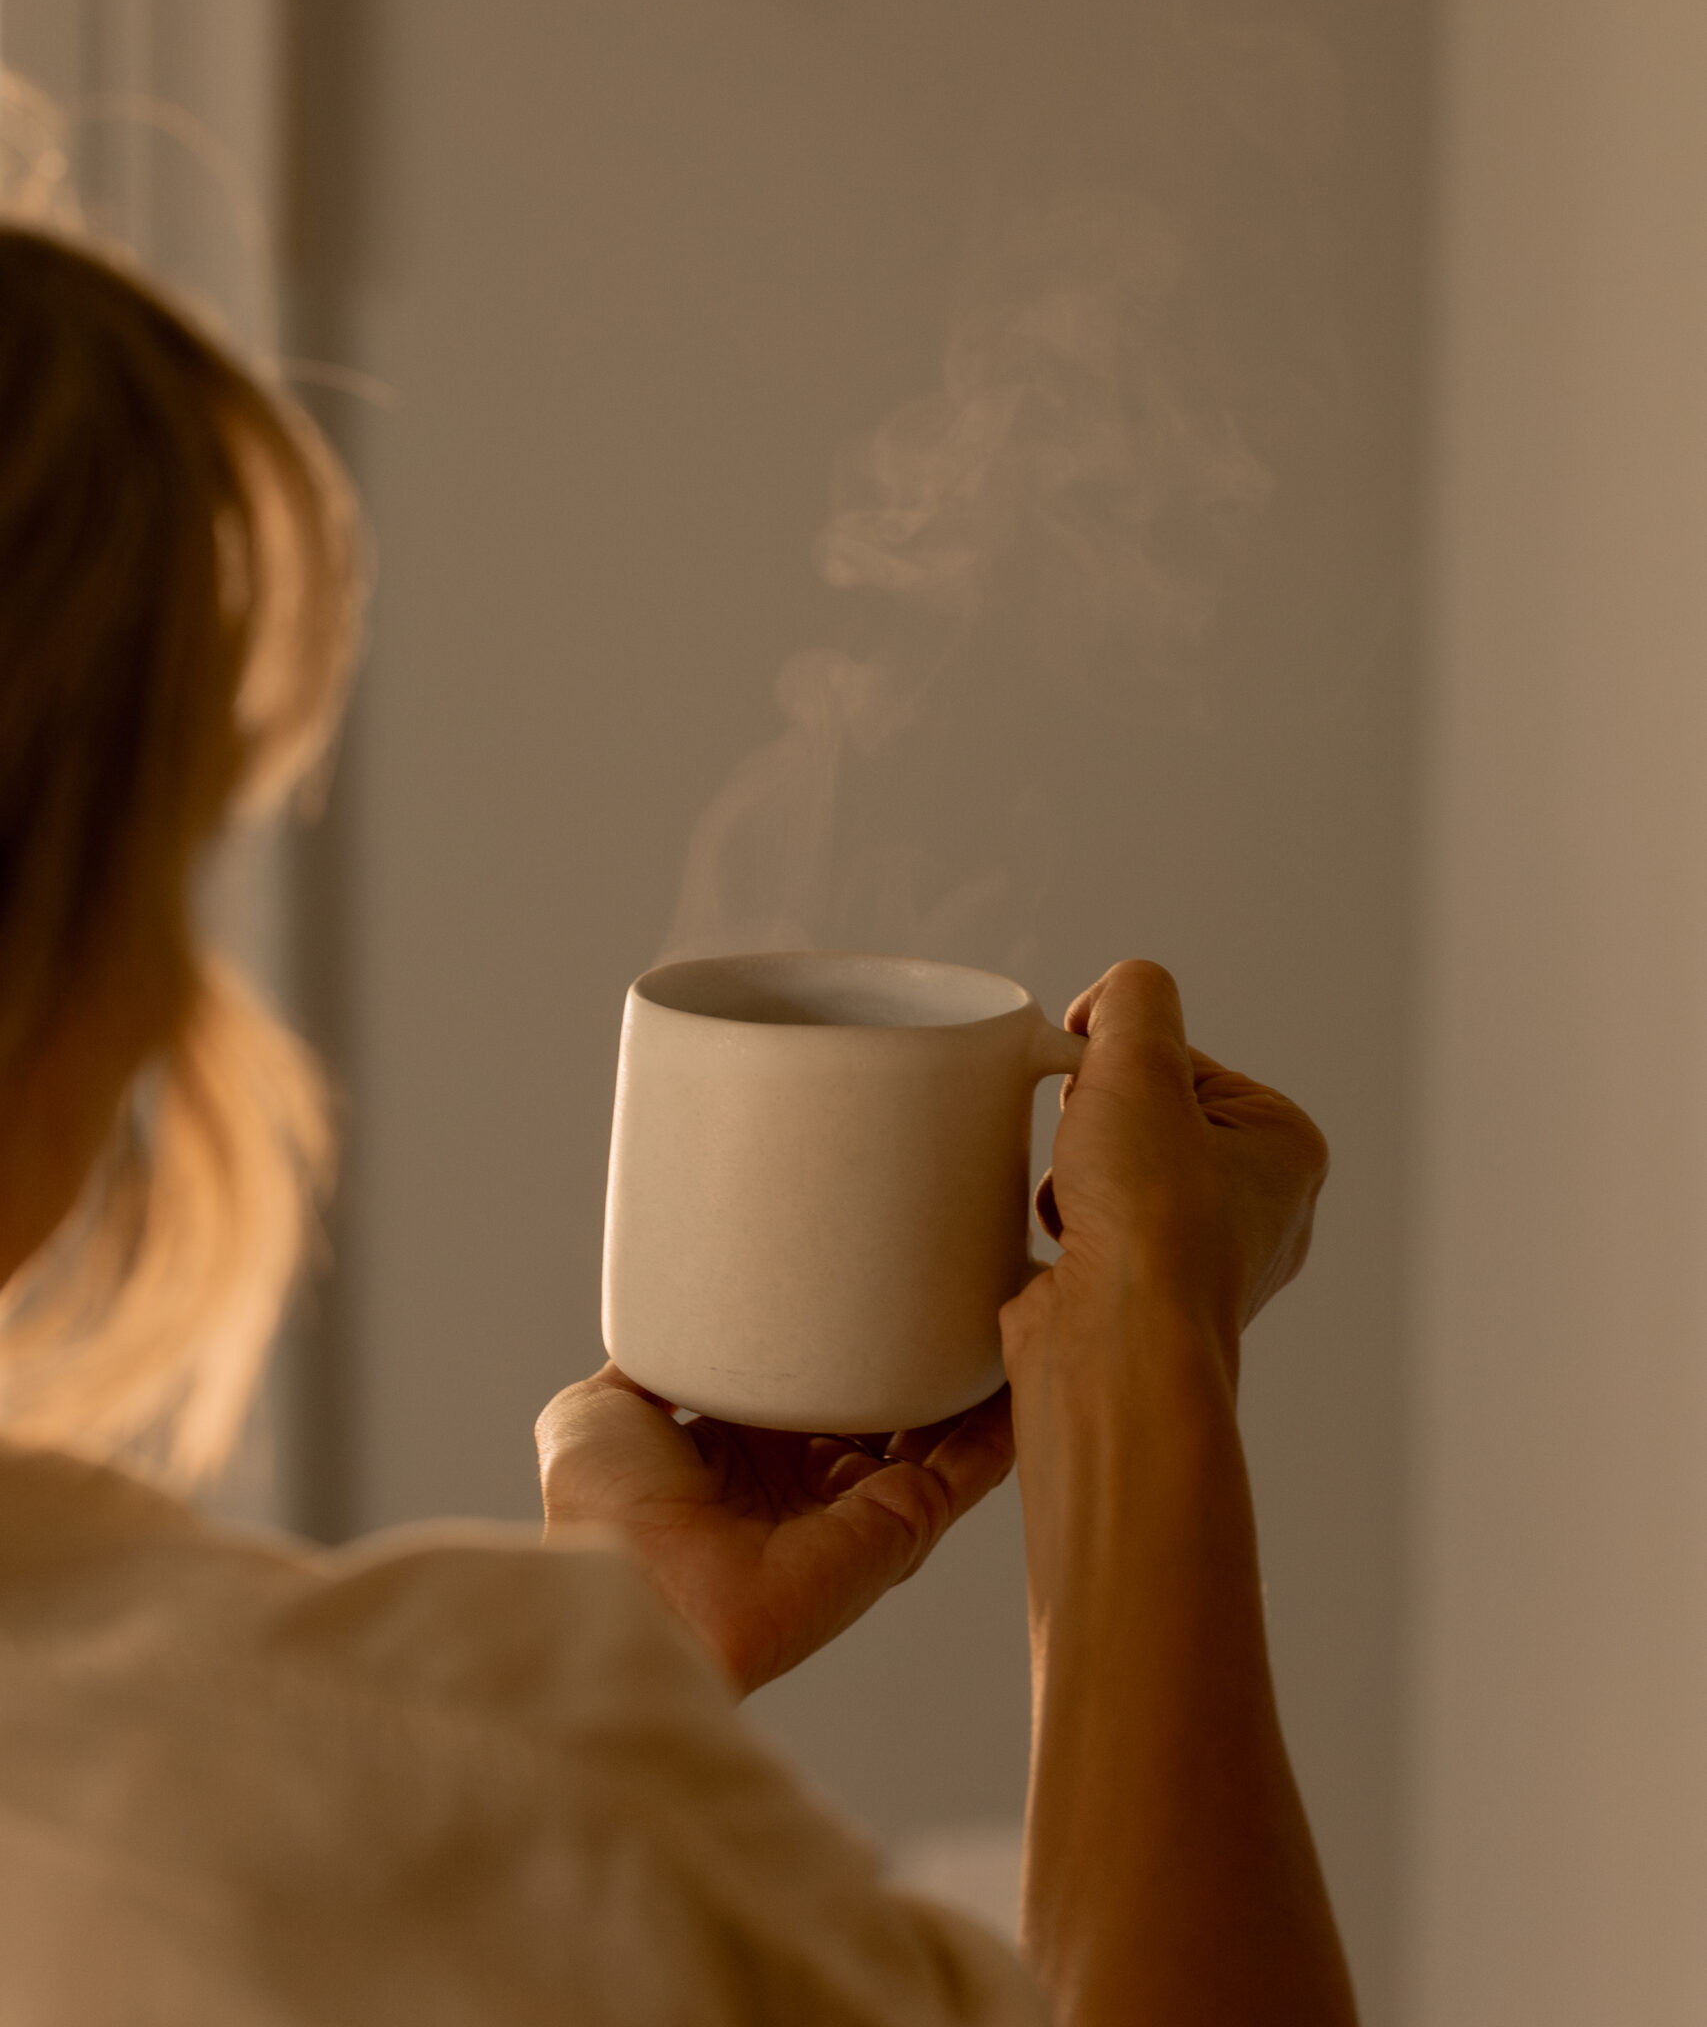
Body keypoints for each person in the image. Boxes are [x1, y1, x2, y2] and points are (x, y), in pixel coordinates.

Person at [0, 190, 1358, 2025]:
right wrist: (1145, 1363)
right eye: (172, 850)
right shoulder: (293, 1807)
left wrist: (620, 1664)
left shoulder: (371, 1794)